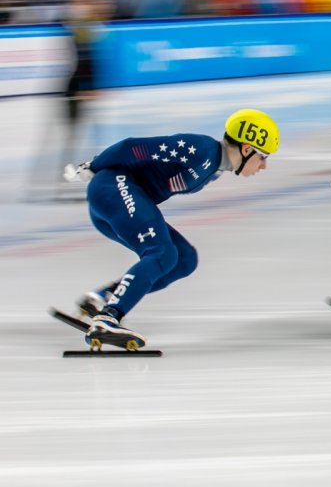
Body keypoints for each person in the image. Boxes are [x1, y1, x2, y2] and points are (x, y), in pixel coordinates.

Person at [63, 109, 280, 349]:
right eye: (263, 157)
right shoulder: (201, 148)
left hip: (114, 201)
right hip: (112, 188)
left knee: (184, 259)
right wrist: (93, 165)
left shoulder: (214, 168)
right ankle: (108, 317)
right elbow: (131, 147)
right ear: (247, 149)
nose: (263, 167)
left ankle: (101, 298)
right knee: (162, 253)